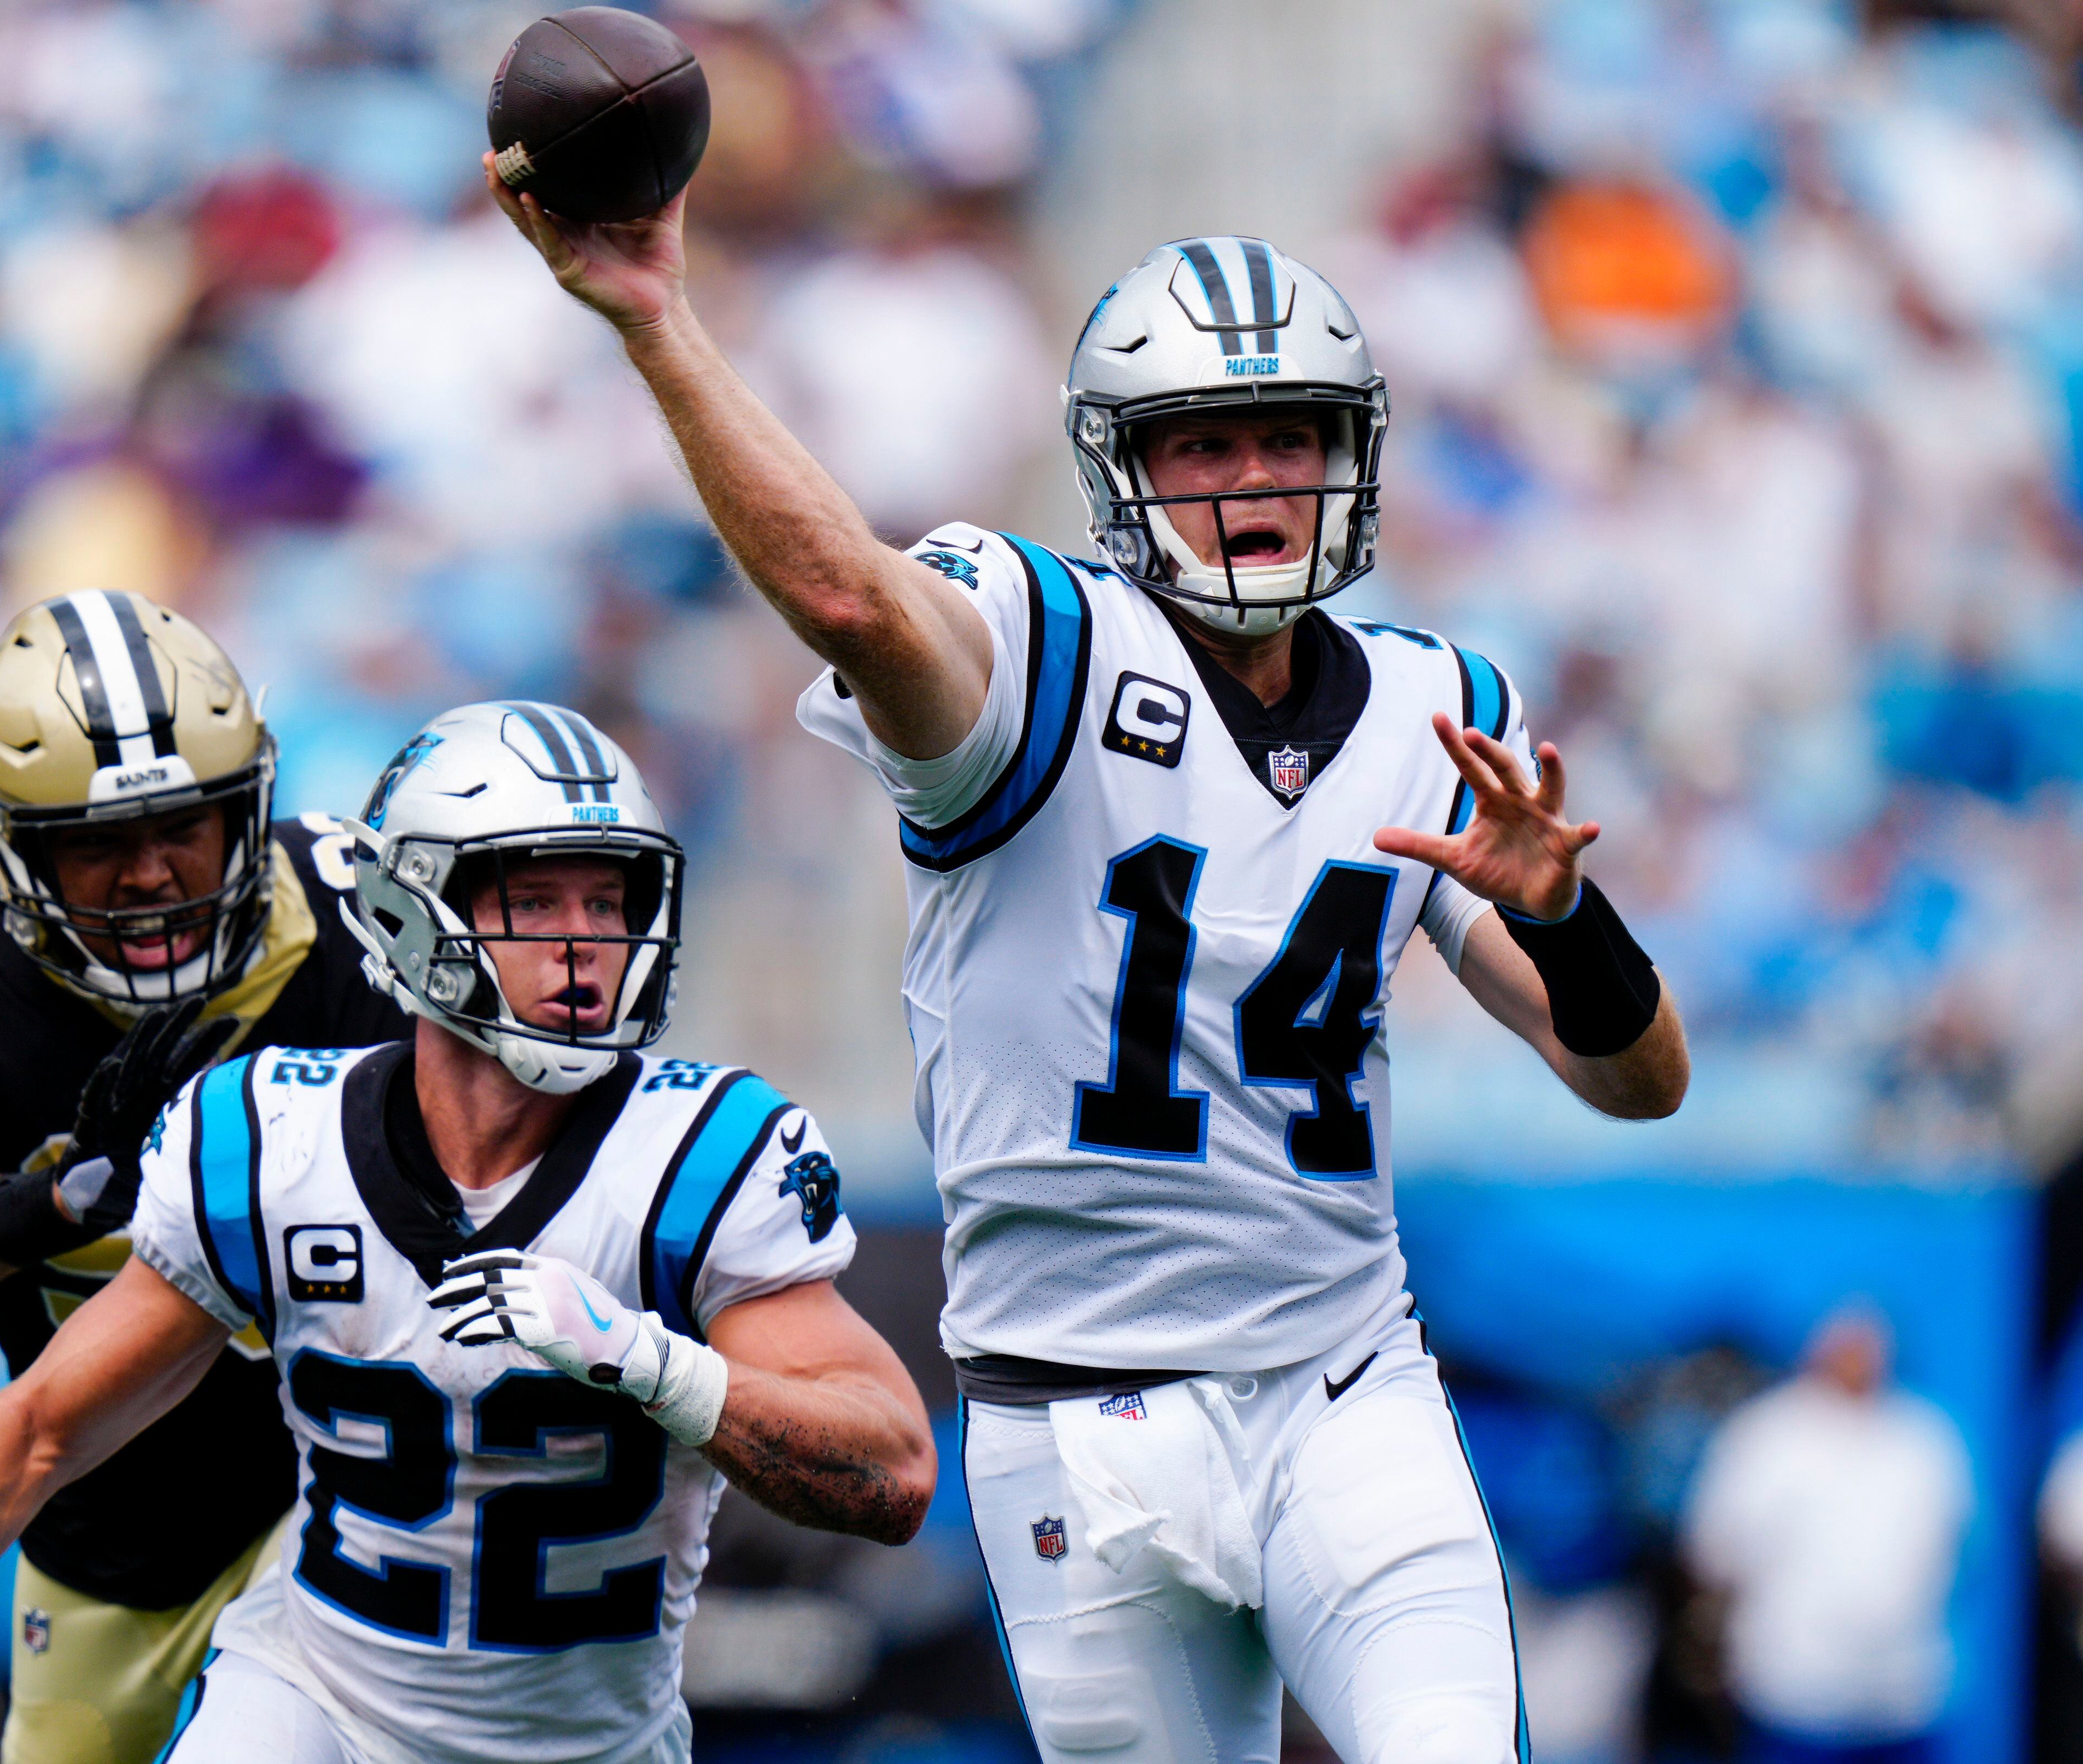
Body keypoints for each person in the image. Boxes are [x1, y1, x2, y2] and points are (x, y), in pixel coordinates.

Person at [490, 177, 1690, 1764]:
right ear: (1121, 470)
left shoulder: (1431, 705)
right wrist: (658, 325)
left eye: (1288, 435)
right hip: (1080, 1419)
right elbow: (850, 597)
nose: (1253, 476)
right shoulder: (1037, 644)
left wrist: (1559, 915)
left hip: (1344, 1384)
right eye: (1201, 440)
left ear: (1353, 455)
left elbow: (1632, 1078)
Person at [0, 702, 936, 1763]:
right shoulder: (275, 1134)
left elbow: (891, 1472)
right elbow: (42, 1427)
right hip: (314, 1699)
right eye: (531, 896)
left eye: (608, 897)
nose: (585, 944)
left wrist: (657, 1366)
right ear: (404, 913)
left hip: (588, 1738)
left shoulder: (705, 1151)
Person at [0, 589, 408, 1763]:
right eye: (94, 842)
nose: (151, 874)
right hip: (105, 1528)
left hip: (364, 1490)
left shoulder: (362, 919)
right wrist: (56, 1196)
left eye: (185, 825)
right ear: (6, 850)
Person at [1684, 1306, 1971, 1764]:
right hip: (1794, 1693)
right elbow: (1714, 1553)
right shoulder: (1764, 1435)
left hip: (1904, 1694)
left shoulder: (1928, 1437)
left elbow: (1962, 1546)